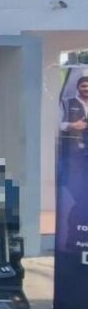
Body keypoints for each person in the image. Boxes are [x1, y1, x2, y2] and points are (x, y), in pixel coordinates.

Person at [60, 76, 88, 246]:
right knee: (79, 195)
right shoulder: (67, 103)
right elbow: (58, 124)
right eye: (84, 86)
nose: (86, 89)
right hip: (74, 156)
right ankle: (74, 239)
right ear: (78, 87)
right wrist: (72, 125)